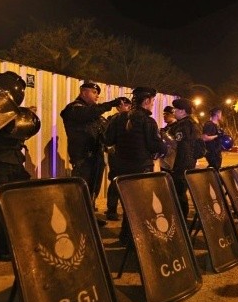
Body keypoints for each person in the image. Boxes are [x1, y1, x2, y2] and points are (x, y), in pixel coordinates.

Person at [102, 86, 168, 246]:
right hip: (141, 170)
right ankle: (135, 240)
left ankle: (126, 237)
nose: (152, 104)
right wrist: (163, 146)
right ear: (146, 101)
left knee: (127, 205)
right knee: (140, 206)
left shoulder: (118, 119)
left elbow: (107, 140)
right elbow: (155, 146)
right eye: (152, 101)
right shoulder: (148, 121)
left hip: (121, 170)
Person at [0, 71, 35, 261]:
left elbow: (26, 127)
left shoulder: (4, 111)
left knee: (20, 202)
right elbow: (8, 130)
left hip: (12, 162)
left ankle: (17, 242)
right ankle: (3, 246)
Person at [60, 81, 123, 226]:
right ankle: (77, 220)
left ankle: (89, 219)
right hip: (83, 157)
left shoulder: (94, 113)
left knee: (93, 189)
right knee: (81, 191)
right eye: (94, 92)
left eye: (98, 94)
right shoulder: (74, 109)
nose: (97, 96)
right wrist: (110, 104)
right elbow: (88, 114)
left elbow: (106, 130)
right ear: (83, 92)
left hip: (97, 156)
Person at [165, 98, 202, 216]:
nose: (174, 111)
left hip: (181, 164)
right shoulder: (191, 123)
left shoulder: (183, 126)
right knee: (180, 193)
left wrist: (165, 137)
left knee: (179, 194)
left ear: (182, 111)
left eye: (176, 109)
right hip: (187, 164)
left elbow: (179, 146)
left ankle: (182, 220)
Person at [104, 96, 132, 221]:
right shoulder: (113, 119)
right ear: (118, 107)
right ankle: (112, 210)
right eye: (126, 105)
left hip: (125, 156)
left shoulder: (131, 119)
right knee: (115, 181)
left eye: (129, 106)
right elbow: (107, 139)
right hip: (116, 155)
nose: (128, 108)